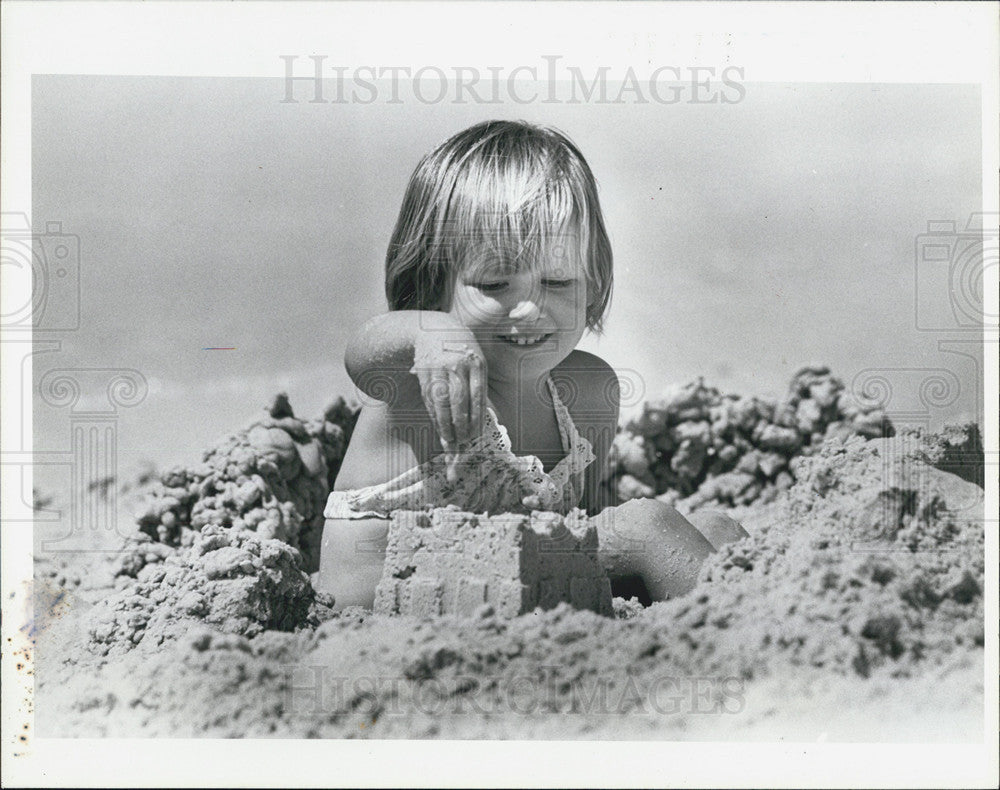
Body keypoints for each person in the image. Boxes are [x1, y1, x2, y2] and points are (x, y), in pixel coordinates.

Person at [317, 120, 746, 610]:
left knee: (717, 527)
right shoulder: (419, 388)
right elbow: (363, 353)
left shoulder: (588, 392)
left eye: (559, 281)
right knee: (646, 526)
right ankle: (750, 646)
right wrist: (430, 337)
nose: (529, 309)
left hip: (512, 593)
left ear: (594, 282)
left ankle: (794, 624)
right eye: (496, 284)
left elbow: (573, 529)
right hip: (390, 612)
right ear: (429, 285)